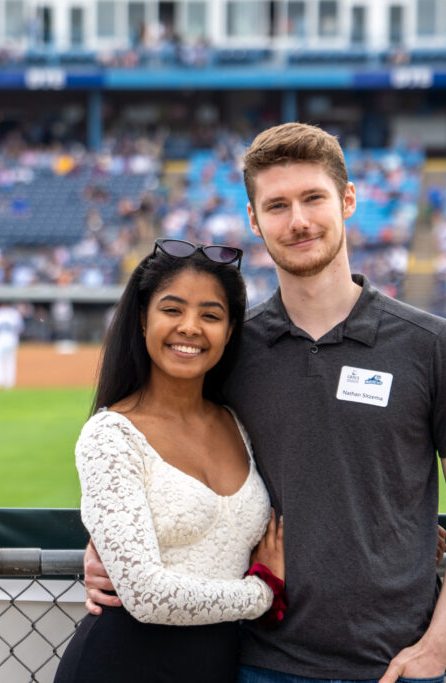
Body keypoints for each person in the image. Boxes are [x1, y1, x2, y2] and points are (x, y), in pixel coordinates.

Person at [84, 122, 446, 683]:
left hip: (396, 665)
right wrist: (102, 539)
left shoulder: (431, 345)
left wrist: (438, 645)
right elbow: (163, 444)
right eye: (277, 205)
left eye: (313, 198)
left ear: (347, 200)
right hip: (260, 661)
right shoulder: (230, 348)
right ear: (254, 220)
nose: (298, 221)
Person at [54, 239, 288, 683]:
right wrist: (263, 593)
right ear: (143, 319)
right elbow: (145, 595)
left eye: (211, 315)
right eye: (172, 309)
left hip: (219, 667)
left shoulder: (237, 422)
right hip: (121, 666)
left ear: (231, 331)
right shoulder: (110, 435)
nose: (191, 327)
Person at [0, 302, 24, 388]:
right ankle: (9, 383)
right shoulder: (15, 313)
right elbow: (20, 330)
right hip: (12, 339)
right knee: (10, 361)